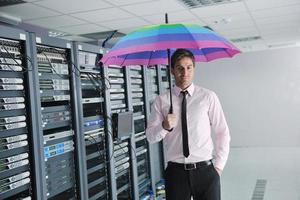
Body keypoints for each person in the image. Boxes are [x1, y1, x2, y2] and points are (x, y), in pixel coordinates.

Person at [146, 48, 230, 200]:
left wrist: (218, 166)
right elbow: (151, 136)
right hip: (175, 173)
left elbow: (222, 132)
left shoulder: (208, 97)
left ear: (194, 68)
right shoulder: (162, 100)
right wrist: (164, 126)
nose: (185, 73)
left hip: (205, 170)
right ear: (172, 70)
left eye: (189, 67)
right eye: (179, 68)